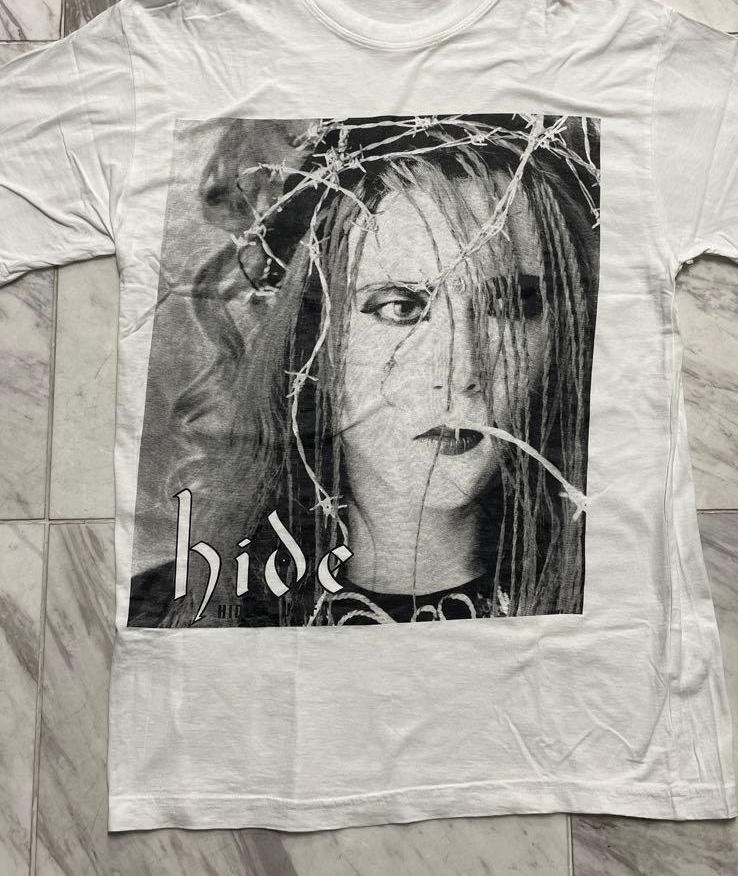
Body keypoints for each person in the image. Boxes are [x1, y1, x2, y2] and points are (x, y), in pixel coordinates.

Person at [128, 114, 600, 627]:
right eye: (401, 308)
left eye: (507, 305)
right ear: (311, 336)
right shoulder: (167, 611)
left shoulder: (611, 592)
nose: (462, 370)